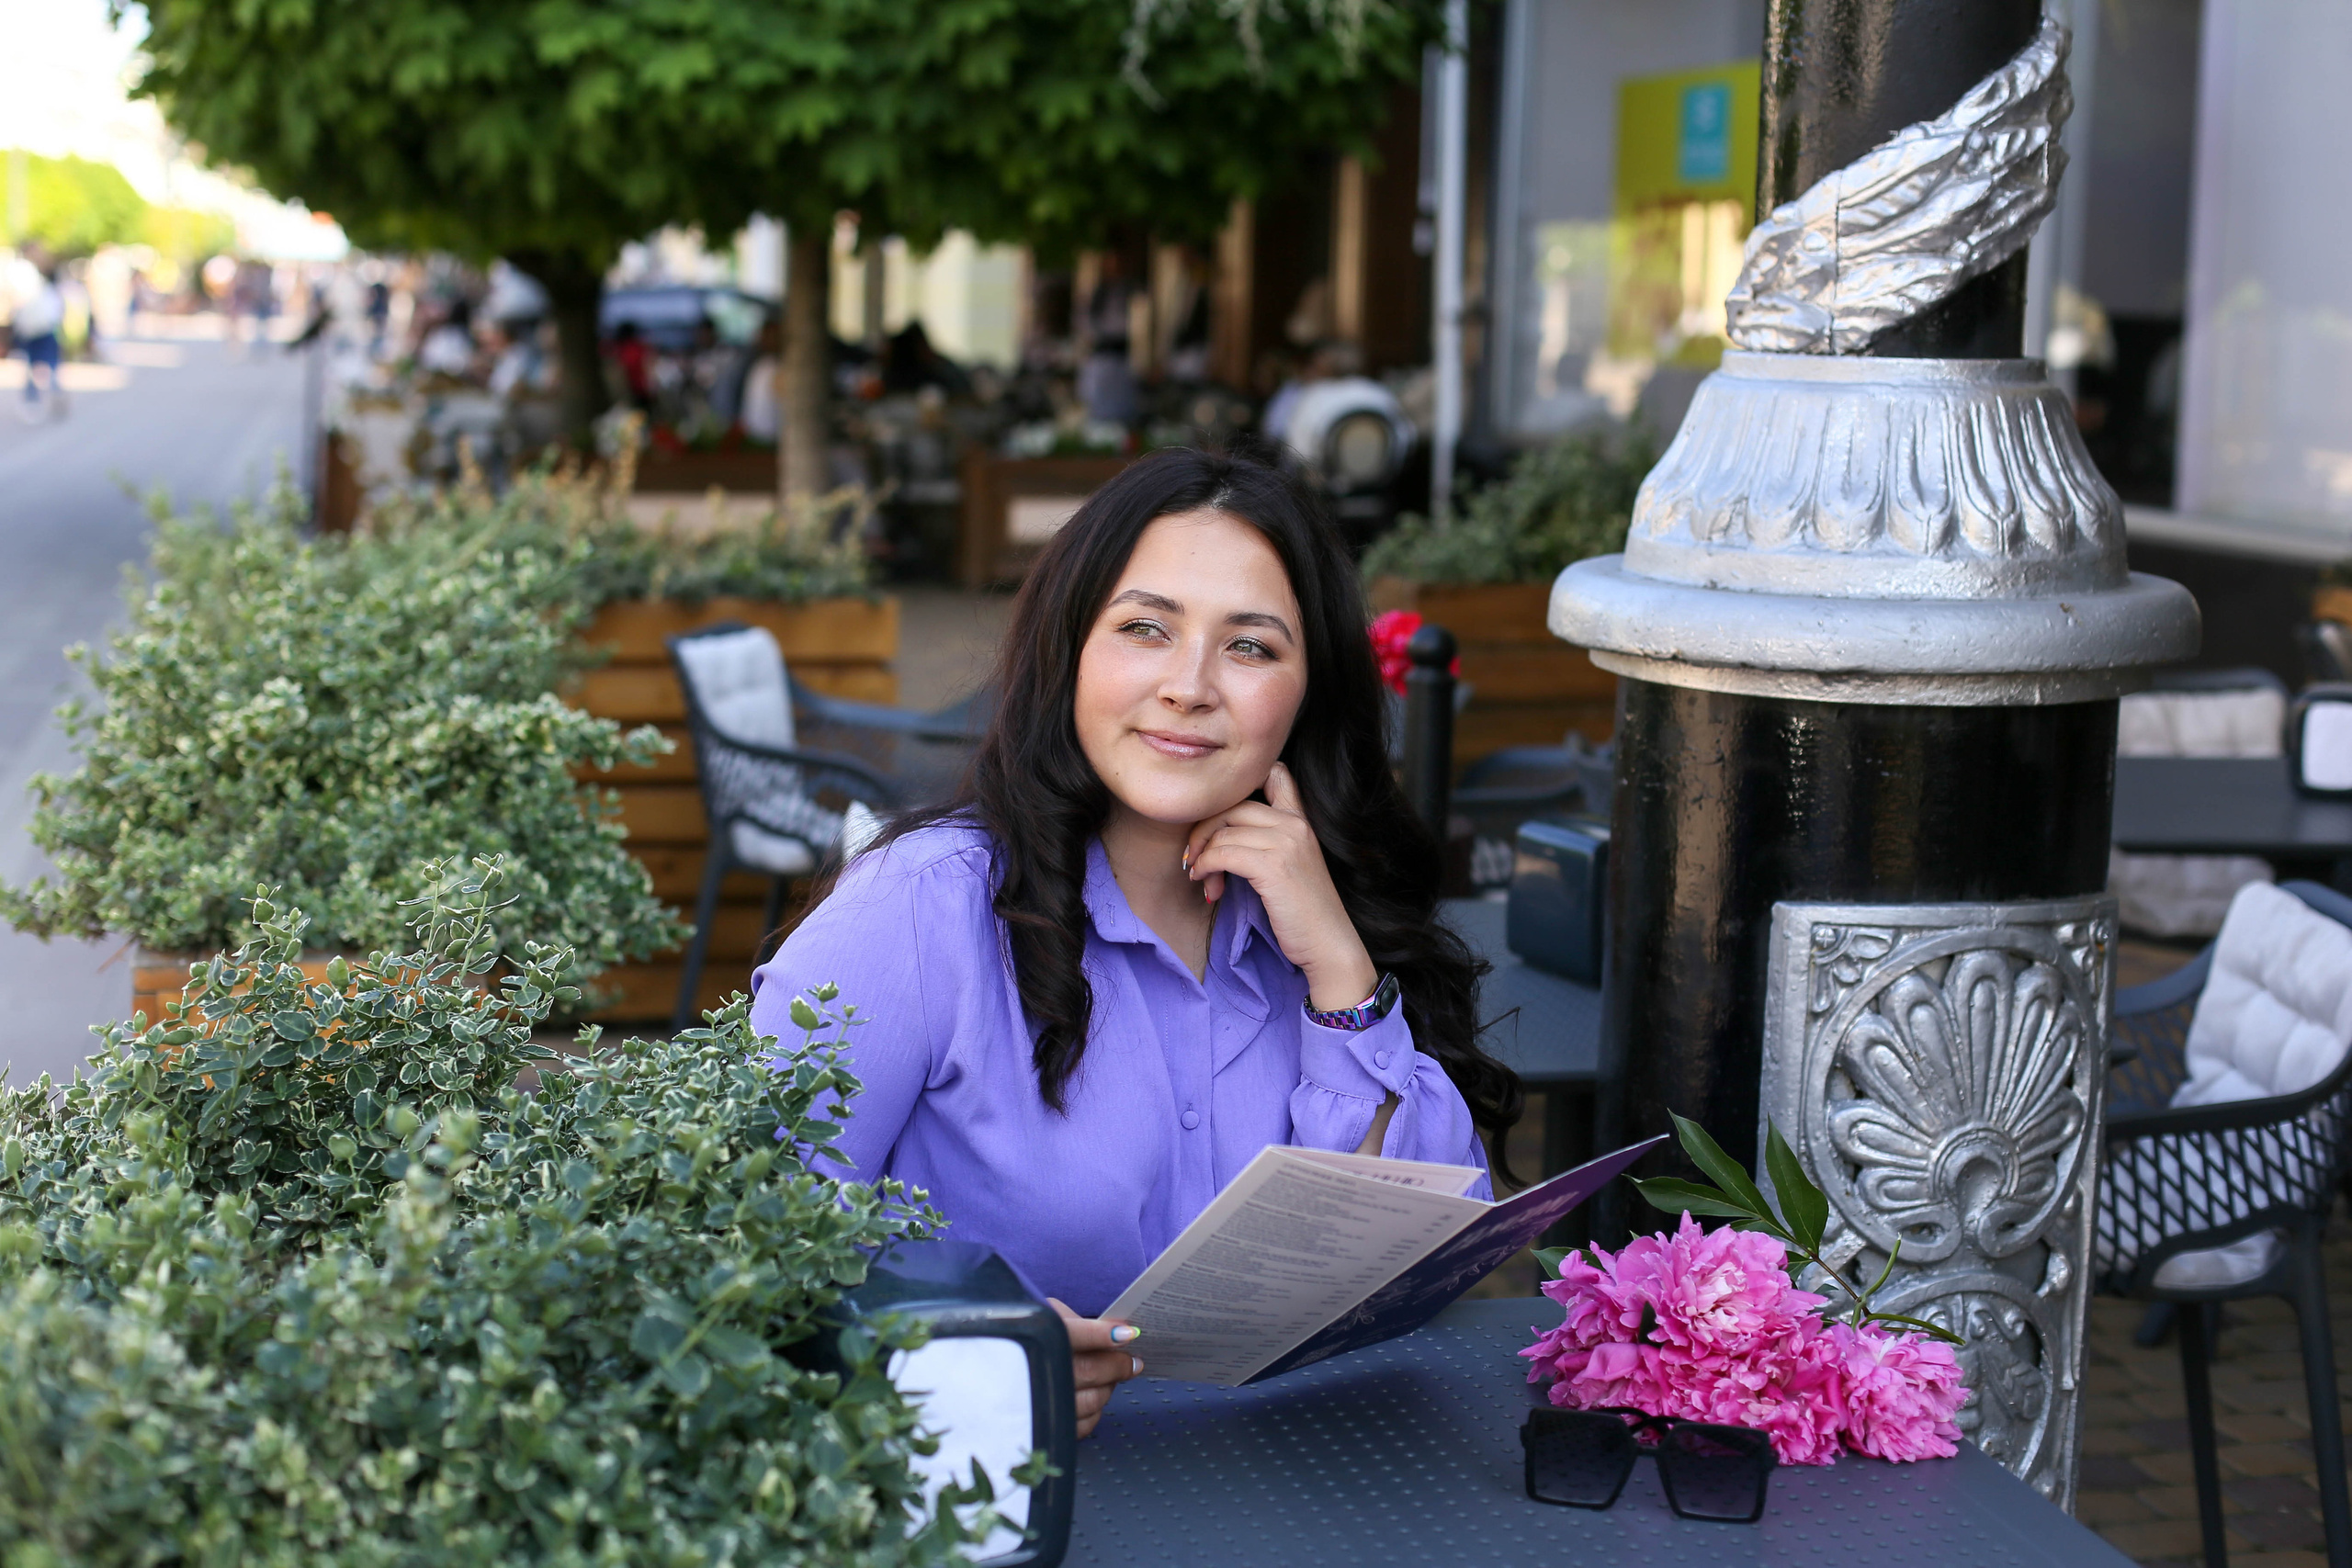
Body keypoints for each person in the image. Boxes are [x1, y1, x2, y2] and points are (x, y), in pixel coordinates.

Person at [749, 448, 1521, 1436]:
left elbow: (1413, 1255)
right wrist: (959, 1355)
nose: (1189, 686)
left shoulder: (1321, 919)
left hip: (1293, 1490)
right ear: (1070, 648)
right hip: (1005, 1497)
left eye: (1250, 647)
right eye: (1145, 629)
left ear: (1306, 692)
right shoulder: (921, 906)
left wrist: (1338, 967)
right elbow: (745, 1237)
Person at [10, 262, 66, 422]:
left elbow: (18, 316)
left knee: (31, 367)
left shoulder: (24, 293)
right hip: (46, 331)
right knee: (49, 364)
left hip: (30, 334)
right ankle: (52, 390)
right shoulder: (45, 290)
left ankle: (33, 400)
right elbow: (57, 311)